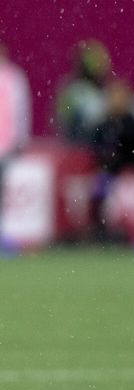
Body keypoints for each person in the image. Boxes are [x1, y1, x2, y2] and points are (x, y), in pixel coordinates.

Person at [90, 78, 134, 251]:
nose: (116, 100)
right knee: (100, 189)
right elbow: (98, 154)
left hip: (132, 175)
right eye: (113, 96)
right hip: (111, 176)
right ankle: (103, 235)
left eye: (119, 96)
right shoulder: (103, 125)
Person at [0, 41, 32, 253]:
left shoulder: (14, 78)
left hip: (5, 146)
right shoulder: (14, 78)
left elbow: (20, 111)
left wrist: (20, 140)